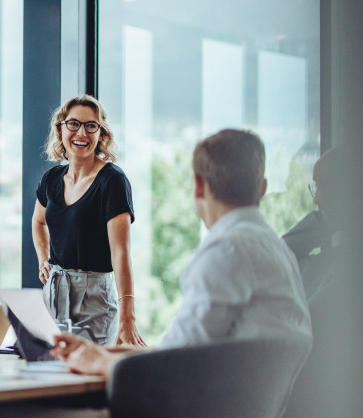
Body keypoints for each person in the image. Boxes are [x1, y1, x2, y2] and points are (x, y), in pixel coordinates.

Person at [52, 129, 312, 378]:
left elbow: (173, 368)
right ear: (262, 188)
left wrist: (97, 361)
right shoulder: (276, 249)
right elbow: (187, 349)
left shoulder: (227, 250)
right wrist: (105, 352)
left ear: (198, 186)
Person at [32, 94, 144, 346]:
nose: (81, 133)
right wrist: (43, 260)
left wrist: (128, 317)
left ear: (101, 134)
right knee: (51, 374)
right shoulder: (51, 179)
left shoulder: (112, 181)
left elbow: (121, 252)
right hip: (54, 292)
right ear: (60, 129)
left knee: (88, 378)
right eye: (73, 124)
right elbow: (38, 222)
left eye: (90, 126)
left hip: (95, 298)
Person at [283, 145, 347, 303]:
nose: (315, 199)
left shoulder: (347, 264)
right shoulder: (329, 260)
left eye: (324, 187)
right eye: (316, 188)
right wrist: (324, 220)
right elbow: (279, 257)